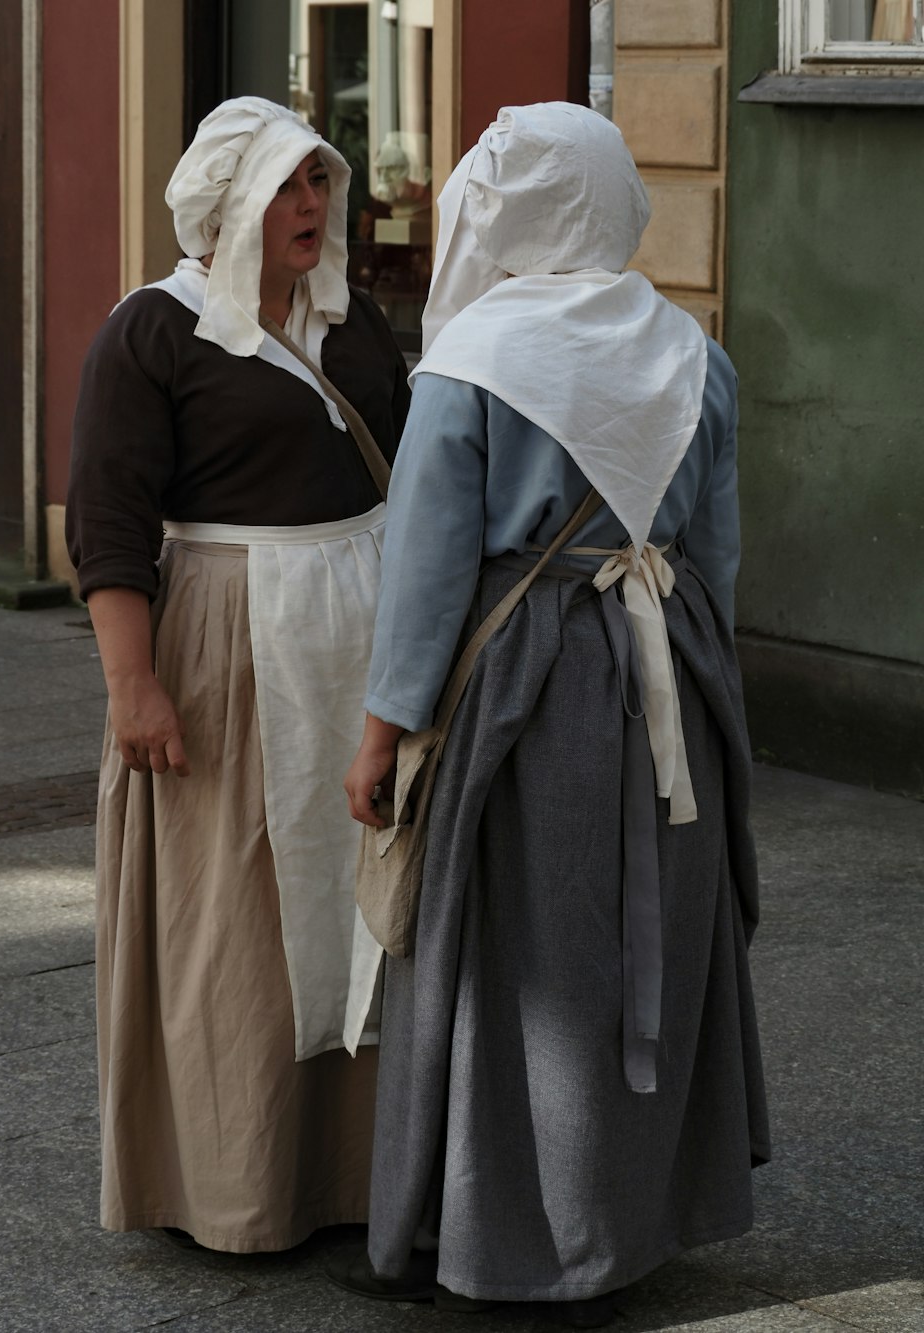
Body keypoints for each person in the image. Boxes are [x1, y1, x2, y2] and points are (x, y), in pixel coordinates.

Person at [337, 102, 769, 1327]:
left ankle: (514, 1234)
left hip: (528, 690)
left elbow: (425, 573)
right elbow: (718, 561)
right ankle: (634, 1216)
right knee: (648, 942)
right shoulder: (695, 352)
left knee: (527, 958)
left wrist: (383, 731)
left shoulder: (475, 362)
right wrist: (711, 700)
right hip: (668, 674)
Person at [66, 97, 410, 1254]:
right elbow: (110, 523)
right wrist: (134, 684)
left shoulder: (350, 319)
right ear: (229, 205)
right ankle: (235, 1184)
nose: (313, 207)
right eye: (287, 188)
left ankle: (357, 1172)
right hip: (226, 638)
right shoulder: (152, 333)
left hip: (357, 628)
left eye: (320, 182)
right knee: (239, 913)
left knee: (363, 898)